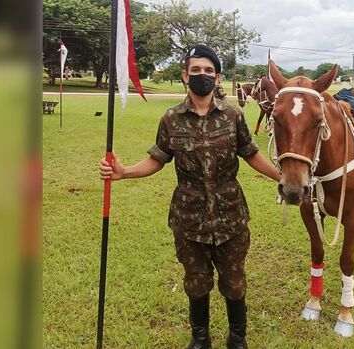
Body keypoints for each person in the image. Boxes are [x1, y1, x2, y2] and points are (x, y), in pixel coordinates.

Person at [98, 44, 280, 349]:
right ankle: (200, 337)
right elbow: (157, 159)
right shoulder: (171, 119)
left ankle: (237, 338)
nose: (202, 76)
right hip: (189, 218)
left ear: (218, 77)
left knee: (234, 282)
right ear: (185, 75)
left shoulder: (233, 116)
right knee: (196, 282)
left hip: (230, 216)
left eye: (209, 71)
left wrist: (281, 176)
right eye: (196, 70)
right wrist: (124, 171)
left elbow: (251, 154)